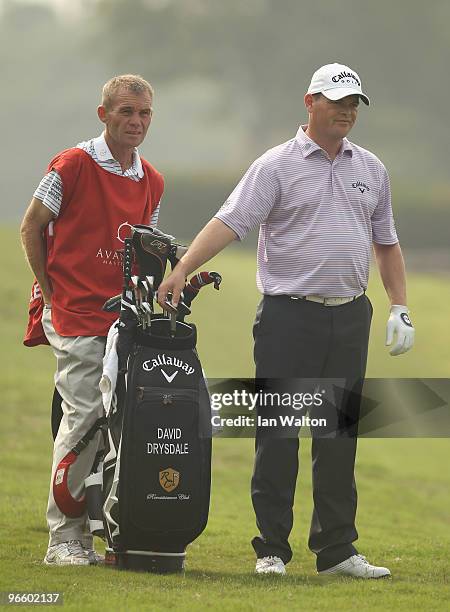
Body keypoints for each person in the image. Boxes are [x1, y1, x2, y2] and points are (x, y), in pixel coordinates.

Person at [157, 63, 415, 578]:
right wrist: (183, 269)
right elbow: (229, 222)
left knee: (339, 437)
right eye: (337, 101)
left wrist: (398, 305)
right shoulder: (276, 165)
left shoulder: (371, 168)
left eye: (353, 104)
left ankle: (337, 551)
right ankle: (271, 548)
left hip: (349, 316)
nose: (346, 111)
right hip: (287, 317)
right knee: (277, 434)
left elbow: (386, 241)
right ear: (310, 102)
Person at [20, 74, 164, 566]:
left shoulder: (153, 180)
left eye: (144, 114)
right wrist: (51, 290)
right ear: (103, 114)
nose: (136, 122)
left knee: (118, 426)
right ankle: (63, 538)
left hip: (124, 320)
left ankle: (103, 533)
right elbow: (31, 225)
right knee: (83, 419)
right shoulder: (72, 164)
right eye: (126, 112)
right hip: (75, 313)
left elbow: (146, 246)